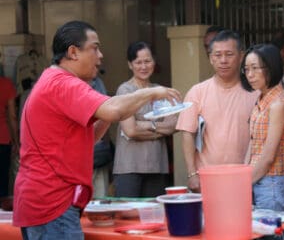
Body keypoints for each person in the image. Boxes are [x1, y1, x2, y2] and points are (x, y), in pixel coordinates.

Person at [12, 21, 181, 240]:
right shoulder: (63, 83)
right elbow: (112, 110)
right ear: (73, 52)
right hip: (52, 204)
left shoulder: (54, 80)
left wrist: (108, 111)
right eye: (94, 48)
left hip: (45, 203)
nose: (100, 55)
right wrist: (150, 93)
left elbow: (90, 136)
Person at [176, 30, 259, 192]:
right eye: (217, 55)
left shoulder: (255, 93)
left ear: (241, 56)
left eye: (229, 54)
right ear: (210, 58)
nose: (223, 61)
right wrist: (192, 173)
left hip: (246, 177)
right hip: (207, 176)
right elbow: (187, 134)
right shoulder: (197, 92)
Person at [113, 41, 177, 197]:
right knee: (128, 215)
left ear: (154, 62)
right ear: (130, 64)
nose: (144, 66)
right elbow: (131, 130)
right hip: (129, 166)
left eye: (147, 61)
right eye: (138, 62)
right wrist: (158, 129)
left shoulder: (161, 91)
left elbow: (173, 126)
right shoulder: (125, 90)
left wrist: (144, 124)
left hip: (157, 165)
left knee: (154, 215)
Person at [241, 44, 284, 212]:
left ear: (271, 68)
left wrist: (244, 182)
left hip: (272, 183)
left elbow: (268, 156)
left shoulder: (278, 103)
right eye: (247, 69)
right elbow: (253, 142)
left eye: (255, 68)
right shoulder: (262, 98)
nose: (250, 75)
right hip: (258, 179)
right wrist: (244, 175)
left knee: (273, 236)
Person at [91, 74, 113, 198]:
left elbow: (107, 115)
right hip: (76, 157)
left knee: (101, 198)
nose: (99, 57)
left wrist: (107, 147)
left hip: (99, 153)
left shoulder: (97, 82)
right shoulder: (66, 83)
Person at [0, 76, 18, 198]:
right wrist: (16, 141)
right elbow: (12, 116)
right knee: (2, 178)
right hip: (3, 138)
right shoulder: (6, 84)